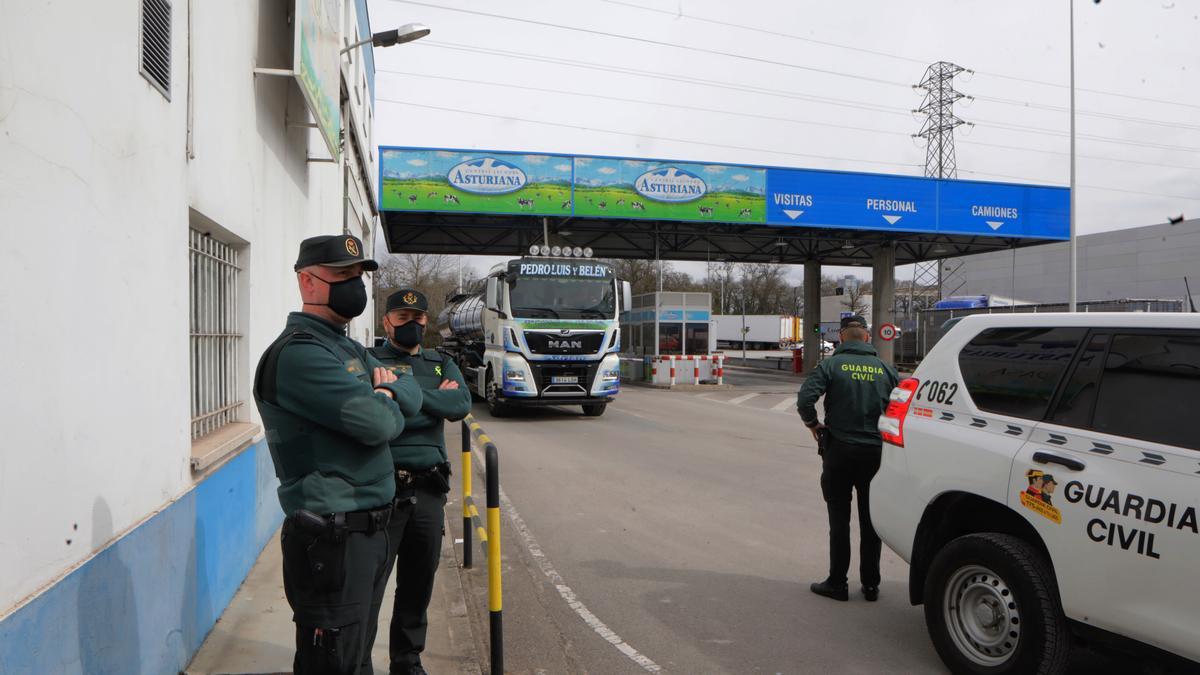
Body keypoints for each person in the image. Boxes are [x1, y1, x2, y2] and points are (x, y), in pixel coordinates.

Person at [253, 234, 423, 675]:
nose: (355, 285)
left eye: (358, 276)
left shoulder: (344, 347)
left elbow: (414, 394)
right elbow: (381, 423)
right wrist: (385, 390)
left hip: (367, 534)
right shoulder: (300, 354)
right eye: (341, 275)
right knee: (333, 663)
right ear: (307, 283)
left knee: (356, 658)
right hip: (333, 541)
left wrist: (384, 390)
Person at [367, 288, 472, 675]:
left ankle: (407, 662)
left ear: (426, 321)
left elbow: (460, 405)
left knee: (417, 584)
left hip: (428, 490)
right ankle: (359, 659)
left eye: (418, 318)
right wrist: (431, 400)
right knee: (371, 584)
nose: (411, 324)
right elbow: (373, 410)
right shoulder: (370, 360)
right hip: (382, 490)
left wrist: (403, 393)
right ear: (386, 322)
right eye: (402, 317)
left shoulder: (442, 363)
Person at [796, 315, 899, 602]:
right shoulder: (886, 370)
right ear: (867, 338)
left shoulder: (830, 365)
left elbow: (805, 400)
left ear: (842, 337)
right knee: (870, 521)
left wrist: (813, 424)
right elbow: (902, 411)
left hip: (839, 451)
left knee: (839, 519)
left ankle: (837, 583)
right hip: (876, 454)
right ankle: (870, 585)